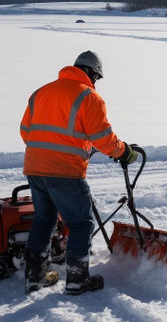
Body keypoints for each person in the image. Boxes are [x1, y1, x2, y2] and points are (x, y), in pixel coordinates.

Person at [19, 50, 138, 295]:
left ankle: (35, 278)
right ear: (92, 73)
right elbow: (103, 139)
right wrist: (124, 152)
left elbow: (25, 131)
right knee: (81, 223)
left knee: (44, 220)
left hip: (35, 168)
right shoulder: (89, 97)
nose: (95, 83)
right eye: (96, 78)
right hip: (66, 172)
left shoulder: (41, 92)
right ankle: (77, 280)